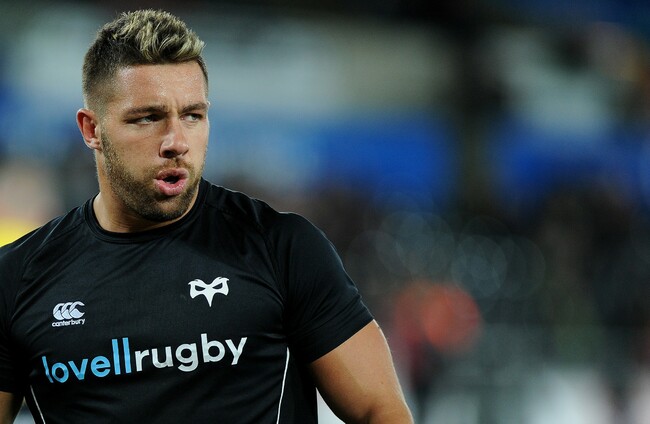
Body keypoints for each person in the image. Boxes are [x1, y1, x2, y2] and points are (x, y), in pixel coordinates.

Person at [0, 9, 412, 424]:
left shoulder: (280, 248)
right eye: (148, 118)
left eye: (192, 115)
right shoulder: (16, 280)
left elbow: (379, 411)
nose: (176, 142)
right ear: (92, 130)